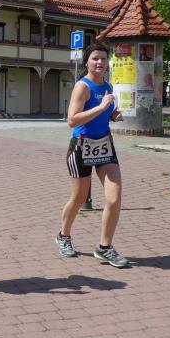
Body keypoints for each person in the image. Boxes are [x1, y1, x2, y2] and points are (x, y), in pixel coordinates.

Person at [56, 43, 128, 267]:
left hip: (104, 144)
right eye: (95, 58)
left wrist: (113, 115)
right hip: (81, 146)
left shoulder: (107, 86)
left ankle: (104, 247)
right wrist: (101, 108)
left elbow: (104, 113)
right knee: (79, 198)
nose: (100, 62)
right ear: (86, 62)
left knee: (114, 198)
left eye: (103, 59)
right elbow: (72, 120)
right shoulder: (82, 87)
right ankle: (63, 235)